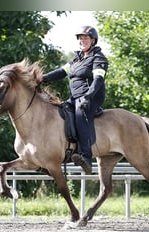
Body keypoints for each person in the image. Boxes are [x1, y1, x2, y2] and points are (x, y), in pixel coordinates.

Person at [41, 25, 108, 174]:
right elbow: (61, 72)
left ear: (93, 40)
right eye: (80, 38)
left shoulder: (98, 58)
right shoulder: (76, 59)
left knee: (79, 114)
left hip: (92, 96)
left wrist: (88, 97)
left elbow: (98, 80)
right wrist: (43, 78)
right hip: (74, 97)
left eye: (86, 38)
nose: (82, 41)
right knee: (60, 113)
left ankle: (86, 158)